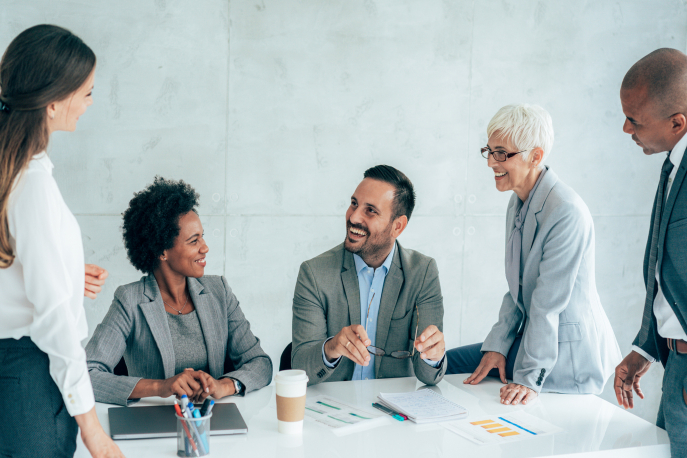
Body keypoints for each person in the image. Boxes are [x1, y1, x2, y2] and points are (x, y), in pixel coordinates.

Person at [445, 104, 621, 406]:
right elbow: (518, 289)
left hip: (568, 355)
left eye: (501, 153)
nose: (490, 162)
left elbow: (547, 304)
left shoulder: (565, 210)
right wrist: (498, 345)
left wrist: (528, 379)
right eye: (488, 150)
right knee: (445, 363)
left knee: (461, 377)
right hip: (536, 337)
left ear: (535, 157)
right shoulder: (518, 201)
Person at [0, 25, 123, 458]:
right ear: (53, 102)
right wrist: (91, 427)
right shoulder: (31, 183)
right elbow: (53, 318)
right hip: (31, 378)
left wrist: (64, 274)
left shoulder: (15, 170)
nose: (89, 104)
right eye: (86, 93)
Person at [86, 177, 273, 406]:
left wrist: (222, 385)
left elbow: (260, 363)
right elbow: (87, 374)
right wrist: (161, 386)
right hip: (156, 423)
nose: (205, 247)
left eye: (202, 236)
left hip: (214, 419)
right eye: (194, 240)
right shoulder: (130, 301)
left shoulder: (219, 291)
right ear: (162, 250)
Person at [291, 165, 447, 385]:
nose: (353, 217)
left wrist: (434, 356)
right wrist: (331, 348)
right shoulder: (314, 274)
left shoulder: (423, 273)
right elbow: (299, 366)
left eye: (370, 210)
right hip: (332, 408)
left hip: (394, 410)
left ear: (397, 226)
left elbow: (429, 377)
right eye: (354, 204)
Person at [615, 48, 687, 458]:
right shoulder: (673, 162)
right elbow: (666, 270)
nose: (626, 129)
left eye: (635, 120)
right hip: (675, 365)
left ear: (677, 122)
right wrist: (646, 349)